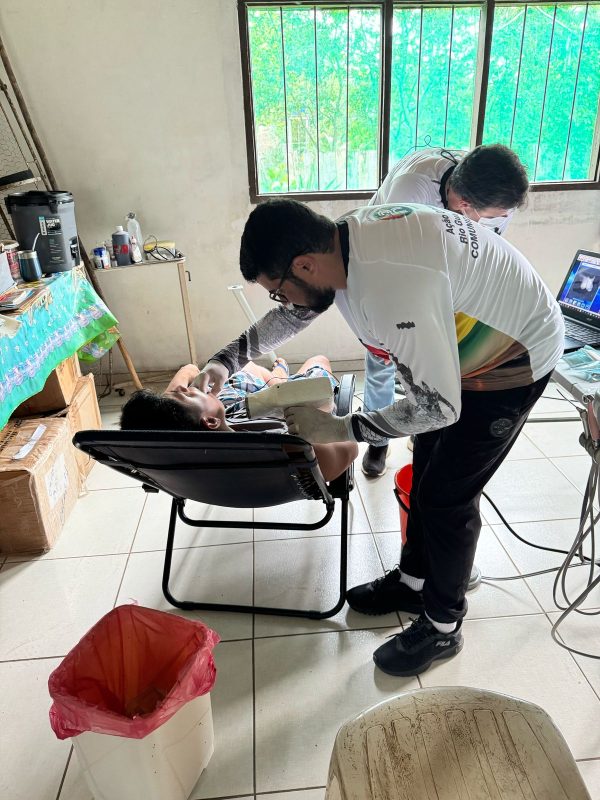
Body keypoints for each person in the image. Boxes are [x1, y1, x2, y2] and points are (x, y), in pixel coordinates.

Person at [196, 198, 564, 677]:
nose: (283, 303)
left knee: (448, 495)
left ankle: (443, 626)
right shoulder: (339, 246)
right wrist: (226, 360)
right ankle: (413, 585)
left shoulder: (391, 284)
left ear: (304, 265)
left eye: (278, 291)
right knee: (426, 469)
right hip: (460, 355)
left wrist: (341, 428)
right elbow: (296, 315)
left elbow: (439, 407)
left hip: (513, 360)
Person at [363, 144, 529, 477]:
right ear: (464, 205)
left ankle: (422, 426)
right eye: (491, 216)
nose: (497, 221)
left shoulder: (495, 198)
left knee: (438, 361)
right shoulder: (410, 190)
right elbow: (390, 261)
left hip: (446, 275)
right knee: (384, 359)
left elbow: (484, 255)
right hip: (386, 263)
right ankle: (377, 438)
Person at [119, 355, 358, 483]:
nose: (187, 388)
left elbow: (188, 369)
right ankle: (279, 376)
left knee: (248, 368)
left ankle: (277, 375)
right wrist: (323, 416)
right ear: (210, 421)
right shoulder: (285, 445)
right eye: (189, 393)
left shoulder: (169, 449)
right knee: (318, 361)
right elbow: (350, 448)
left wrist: (185, 394)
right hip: (291, 412)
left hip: (237, 409)